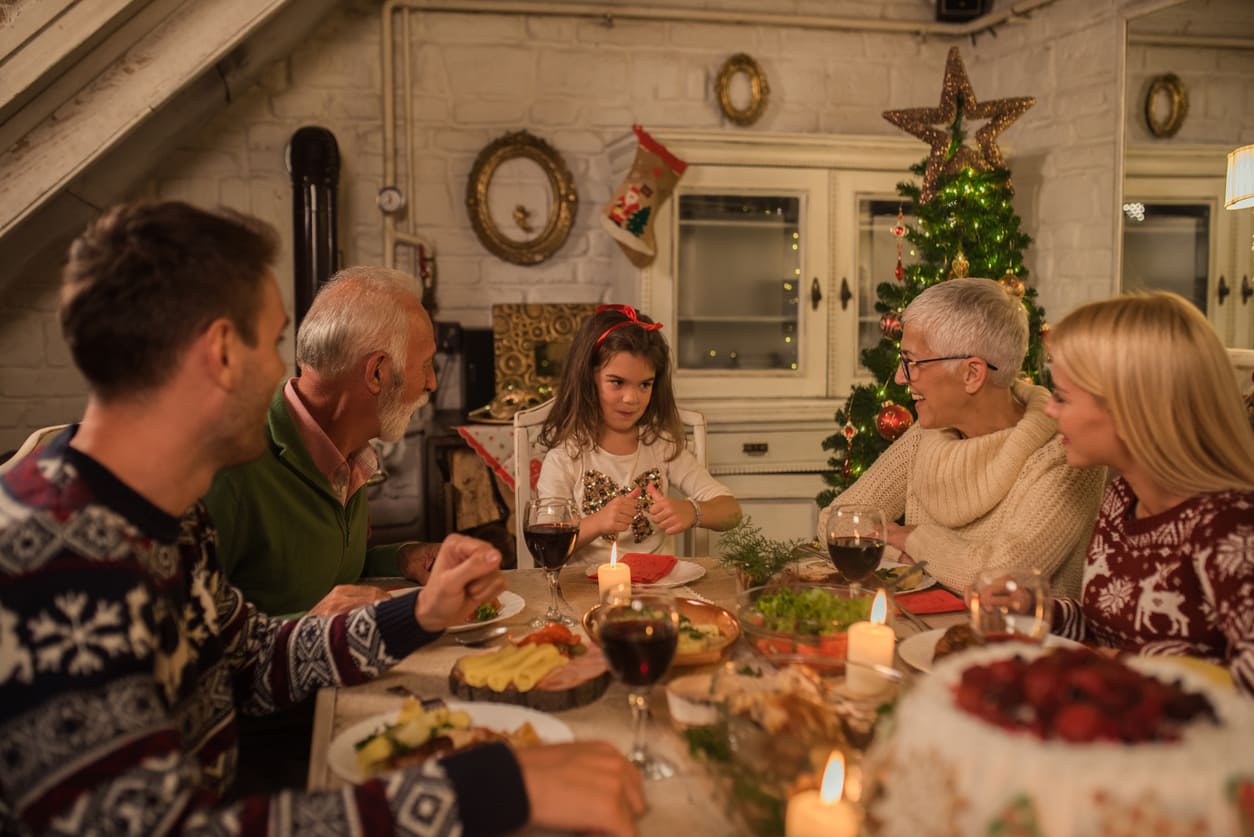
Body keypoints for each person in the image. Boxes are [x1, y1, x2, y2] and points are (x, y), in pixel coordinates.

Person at [0, 201, 645, 836]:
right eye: (275, 342)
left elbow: (249, 662)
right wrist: (487, 789)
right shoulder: (54, 561)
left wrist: (419, 612)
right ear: (221, 353)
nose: (289, 370)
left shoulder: (161, 516)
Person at [817, 278, 1106, 597]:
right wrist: (902, 554)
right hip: (922, 631)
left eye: (911, 362)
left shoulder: (1066, 457)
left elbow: (997, 579)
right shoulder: (926, 437)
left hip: (1016, 644)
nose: (901, 377)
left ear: (971, 374)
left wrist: (912, 538)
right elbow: (835, 521)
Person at [1044, 291, 1254, 695]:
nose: (1050, 410)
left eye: (1062, 397)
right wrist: (1042, 615)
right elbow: (1110, 628)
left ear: (1129, 409)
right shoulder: (1121, 498)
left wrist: (1127, 667)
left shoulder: (1230, 526)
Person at [205, 265, 442, 618]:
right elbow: (181, 637)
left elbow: (321, 578)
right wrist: (313, 625)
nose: (432, 383)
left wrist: (401, 556)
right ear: (377, 372)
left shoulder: (348, 449)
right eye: (424, 365)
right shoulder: (227, 465)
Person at [535, 304, 740, 566]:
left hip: (659, 594)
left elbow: (732, 512)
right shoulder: (566, 456)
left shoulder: (660, 446)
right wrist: (598, 522)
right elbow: (544, 547)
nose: (632, 399)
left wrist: (694, 511)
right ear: (589, 379)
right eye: (617, 382)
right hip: (588, 595)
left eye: (645, 384)